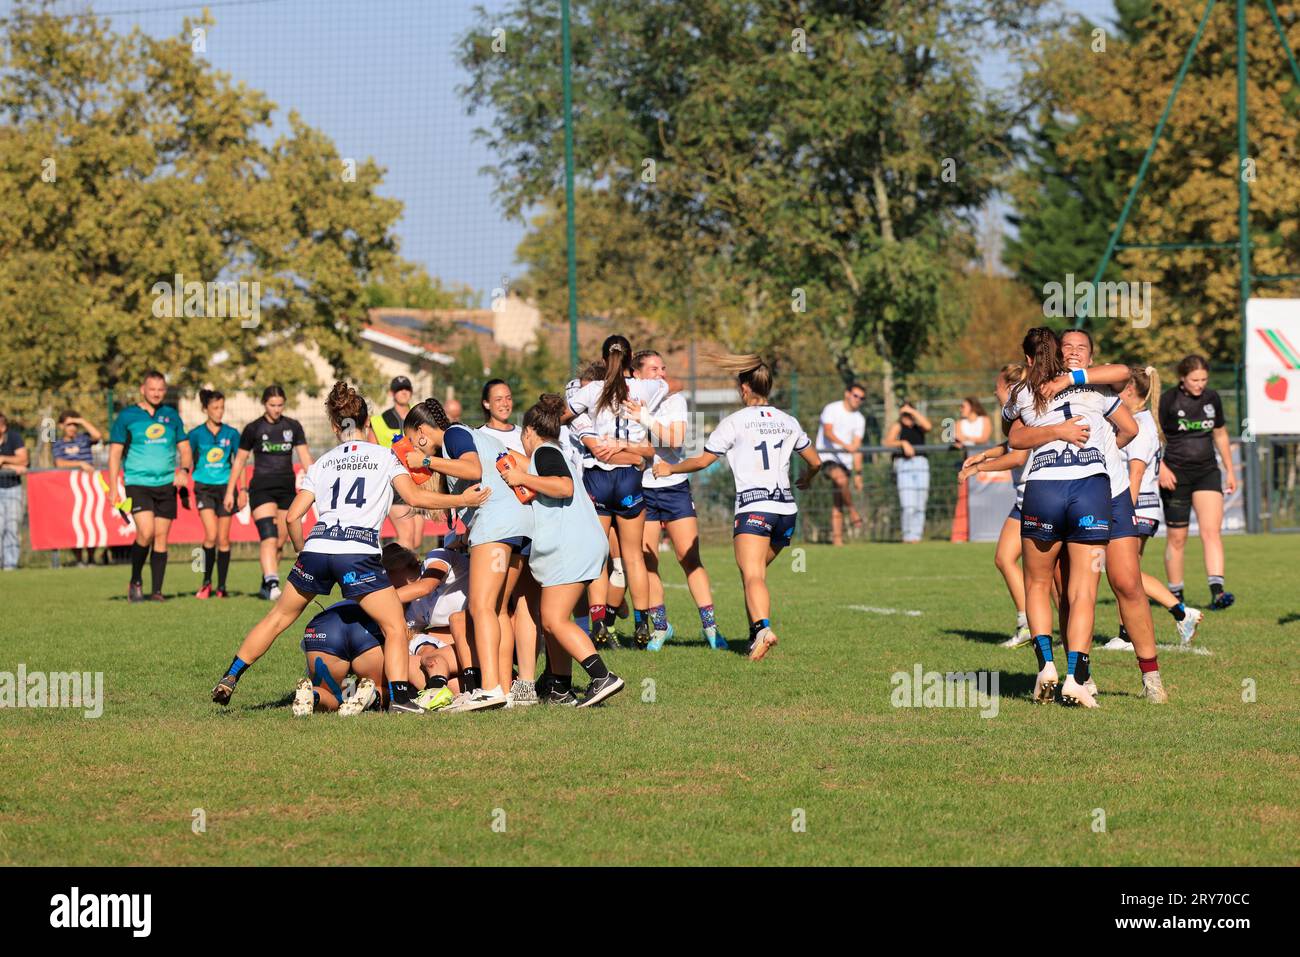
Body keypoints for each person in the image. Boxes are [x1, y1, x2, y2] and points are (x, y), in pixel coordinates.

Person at [211, 381, 489, 714]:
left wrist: (303, 552)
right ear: (367, 422)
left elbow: (293, 518)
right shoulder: (385, 457)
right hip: (356, 550)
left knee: (277, 618)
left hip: (317, 547)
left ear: (334, 425)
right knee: (395, 627)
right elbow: (415, 498)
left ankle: (231, 676)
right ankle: (400, 697)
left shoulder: (322, 463)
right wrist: (461, 498)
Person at [654, 352, 821, 661]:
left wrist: (669, 469)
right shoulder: (788, 421)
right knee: (753, 574)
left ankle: (762, 629)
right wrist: (807, 478)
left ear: (744, 388)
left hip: (754, 507)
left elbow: (703, 461)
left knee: (753, 573)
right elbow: (816, 461)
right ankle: (753, 635)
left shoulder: (733, 423)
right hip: (785, 510)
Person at [1005, 328, 1134, 708]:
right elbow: (1124, 374)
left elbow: (1014, 437)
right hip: (1091, 490)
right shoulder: (1094, 389)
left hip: (1043, 487)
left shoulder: (1022, 391)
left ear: (1030, 359)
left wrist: (1048, 428)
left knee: (1038, 583)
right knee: (1083, 592)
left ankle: (1046, 664)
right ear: (1062, 357)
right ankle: (1077, 677)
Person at [400, 395, 534, 712]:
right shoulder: (477, 435)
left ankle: (488, 689)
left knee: (480, 606)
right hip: (519, 523)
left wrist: (426, 462)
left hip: (498, 526)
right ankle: (502, 689)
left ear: (422, 430)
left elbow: (471, 469)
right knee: (499, 609)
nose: (414, 449)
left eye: (411, 441)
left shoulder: (453, 435)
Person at [500, 394, 625, 706]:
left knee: (554, 620)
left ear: (529, 431)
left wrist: (520, 476)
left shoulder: (544, 451)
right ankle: (560, 689)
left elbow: (564, 486)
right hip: (580, 544)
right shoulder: (553, 452)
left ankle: (602, 677)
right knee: (553, 619)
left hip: (571, 546)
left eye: (522, 436)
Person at [564, 334, 669, 649]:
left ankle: (598, 626)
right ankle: (641, 626)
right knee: (633, 556)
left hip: (597, 477)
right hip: (628, 477)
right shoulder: (644, 387)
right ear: (631, 359)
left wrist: (584, 426)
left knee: (597, 556)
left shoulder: (592, 390)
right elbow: (666, 384)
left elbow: (563, 414)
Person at [632, 349, 725, 650]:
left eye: (663, 368)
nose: (660, 374)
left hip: (674, 487)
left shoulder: (674, 400)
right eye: (653, 369)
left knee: (689, 558)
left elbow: (675, 440)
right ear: (637, 375)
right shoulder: (627, 405)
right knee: (648, 561)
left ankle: (710, 628)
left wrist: (644, 418)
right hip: (643, 488)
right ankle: (661, 627)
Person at [1109, 366, 1203, 647]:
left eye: (1116, 389)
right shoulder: (1142, 420)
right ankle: (1127, 634)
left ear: (1128, 390)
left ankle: (1181, 611)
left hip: (1138, 507)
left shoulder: (1140, 425)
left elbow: (1136, 474)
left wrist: (1124, 511)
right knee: (1125, 573)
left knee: (1125, 573)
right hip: (1142, 507)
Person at [958, 365, 1032, 647]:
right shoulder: (1018, 416)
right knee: (1008, 560)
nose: (994, 391)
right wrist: (985, 454)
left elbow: (1017, 458)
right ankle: (1031, 627)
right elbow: (1013, 445)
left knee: (1046, 574)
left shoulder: (1024, 410)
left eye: (998, 386)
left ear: (1011, 388)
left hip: (1035, 497)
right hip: (1025, 498)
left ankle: (1045, 631)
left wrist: (978, 469)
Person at [1158, 355, 1236, 610]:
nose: (1200, 384)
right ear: (1183, 377)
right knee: (1177, 538)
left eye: (1204, 379)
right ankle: (1176, 595)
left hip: (1207, 471)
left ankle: (1218, 592)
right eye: (1195, 380)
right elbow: (1154, 435)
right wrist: (1161, 467)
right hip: (1175, 475)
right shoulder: (1169, 399)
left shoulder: (1211, 398)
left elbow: (1220, 434)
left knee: (1211, 532)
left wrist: (1230, 470)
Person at [106, 371, 192, 601]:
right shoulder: (127, 416)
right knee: (146, 532)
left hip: (166, 485)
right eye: (152, 389)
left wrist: (184, 471)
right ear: (142, 389)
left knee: (161, 537)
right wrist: (113, 486)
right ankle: (135, 579)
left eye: (161, 389)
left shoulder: (171, 415)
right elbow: (114, 454)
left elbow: (185, 449)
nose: (156, 393)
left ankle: (157, 592)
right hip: (137, 483)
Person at [225, 386, 313, 601]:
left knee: (281, 540)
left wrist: (317, 483)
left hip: (286, 489)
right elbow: (239, 461)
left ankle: (267, 582)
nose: (276, 409)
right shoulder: (253, 428)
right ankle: (273, 583)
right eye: (272, 405)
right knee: (268, 536)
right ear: (264, 404)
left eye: (280, 405)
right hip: (261, 489)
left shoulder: (293, 426)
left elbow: (305, 458)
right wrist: (233, 491)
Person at [188, 389, 240, 598]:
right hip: (204, 488)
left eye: (222, 408)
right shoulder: (195, 435)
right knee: (210, 535)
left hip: (226, 489)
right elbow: (187, 460)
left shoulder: (232, 434)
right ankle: (206, 582)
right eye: (215, 408)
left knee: (224, 539)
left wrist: (241, 490)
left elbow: (239, 462)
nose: (219, 412)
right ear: (205, 409)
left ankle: (222, 587)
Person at [371, 376, 423, 552]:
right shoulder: (380, 420)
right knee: (406, 536)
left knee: (415, 541)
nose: (404, 392)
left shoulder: (419, 416)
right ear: (392, 393)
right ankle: (396, 575)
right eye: (399, 389)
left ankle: (389, 562)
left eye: (407, 389)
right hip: (395, 482)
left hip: (418, 480)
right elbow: (372, 452)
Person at [815, 384, 867, 546]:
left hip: (846, 462)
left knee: (838, 499)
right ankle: (853, 511)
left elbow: (856, 448)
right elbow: (828, 432)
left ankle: (837, 539)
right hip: (827, 457)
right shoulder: (831, 409)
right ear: (847, 394)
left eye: (862, 398)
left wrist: (859, 474)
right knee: (841, 480)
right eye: (855, 395)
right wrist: (846, 446)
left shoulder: (860, 419)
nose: (858, 400)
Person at [53, 411, 102, 565]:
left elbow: (98, 436)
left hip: (89, 486)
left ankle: (92, 558)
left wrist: (82, 420)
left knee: (92, 520)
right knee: (73, 522)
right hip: (68, 488)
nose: (72, 428)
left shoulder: (84, 439)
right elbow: (58, 463)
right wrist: (79, 464)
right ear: (61, 426)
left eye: (75, 424)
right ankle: (79, 559)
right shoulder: (58, 442)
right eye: (69, 424)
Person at [883, 402, 933, 543]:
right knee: (908, 504)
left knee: (920, 502)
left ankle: (917, 536)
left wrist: (913, 412)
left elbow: (928, 426)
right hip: (904, 464)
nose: (907, 416)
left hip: (921, 463)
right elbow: (888, 442)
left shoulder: (919, 426)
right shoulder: (898, 426)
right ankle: (907, 535)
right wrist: (903, 443)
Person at [0, 412, 28, 571]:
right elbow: (19, 464)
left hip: (12, 490)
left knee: (12, 527)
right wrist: (13, 466)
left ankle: (10, 565)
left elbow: (24, 460)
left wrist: (3, 460)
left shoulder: (14, 437)